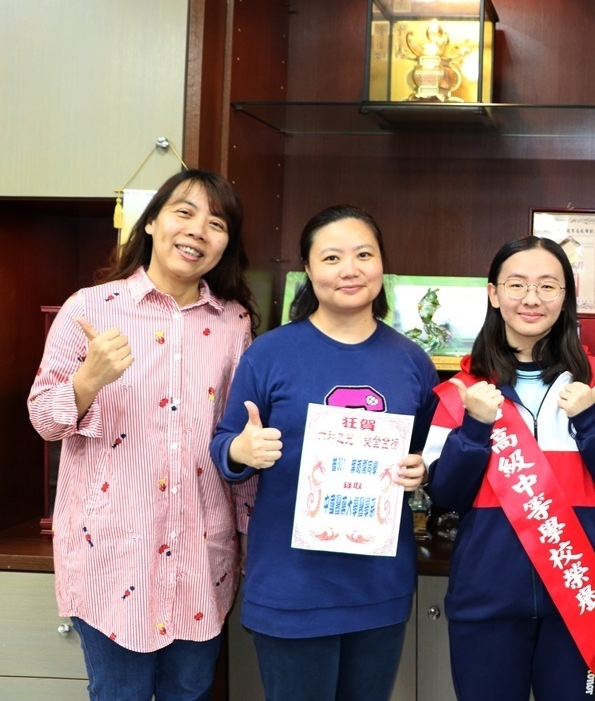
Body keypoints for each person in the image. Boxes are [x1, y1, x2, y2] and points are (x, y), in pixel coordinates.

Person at [28, 168, 259, 701]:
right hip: (111, 557)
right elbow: (43, 418)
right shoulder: (89, 308)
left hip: (202, 556)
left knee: (192, 691)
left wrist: (247, 532)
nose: (199, 230)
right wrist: (89, 379)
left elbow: (238, 437)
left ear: (227, 244)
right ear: (151, 222)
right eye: (185, 212)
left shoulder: (235, 323)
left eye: (218, 222)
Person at [209, 205, 437, 701]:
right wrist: (242, 450)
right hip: (292, 585)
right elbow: (224, 448)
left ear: (382, 266)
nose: (349, 269)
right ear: (309, 271)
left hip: (379, 586)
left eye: (363, 254)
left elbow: (420, 452)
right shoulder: (268, 353)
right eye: (332, 257)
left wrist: (420, 471)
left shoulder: (412, 360)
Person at [423, 236, 595, 701]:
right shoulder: (462, 391)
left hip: (580, 598)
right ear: (493, 294)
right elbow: (446, 493)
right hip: (486, 603)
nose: (532, 299)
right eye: (517, 285)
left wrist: (590, 421)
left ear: (566, 297)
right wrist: (473, 428)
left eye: (548, 286)